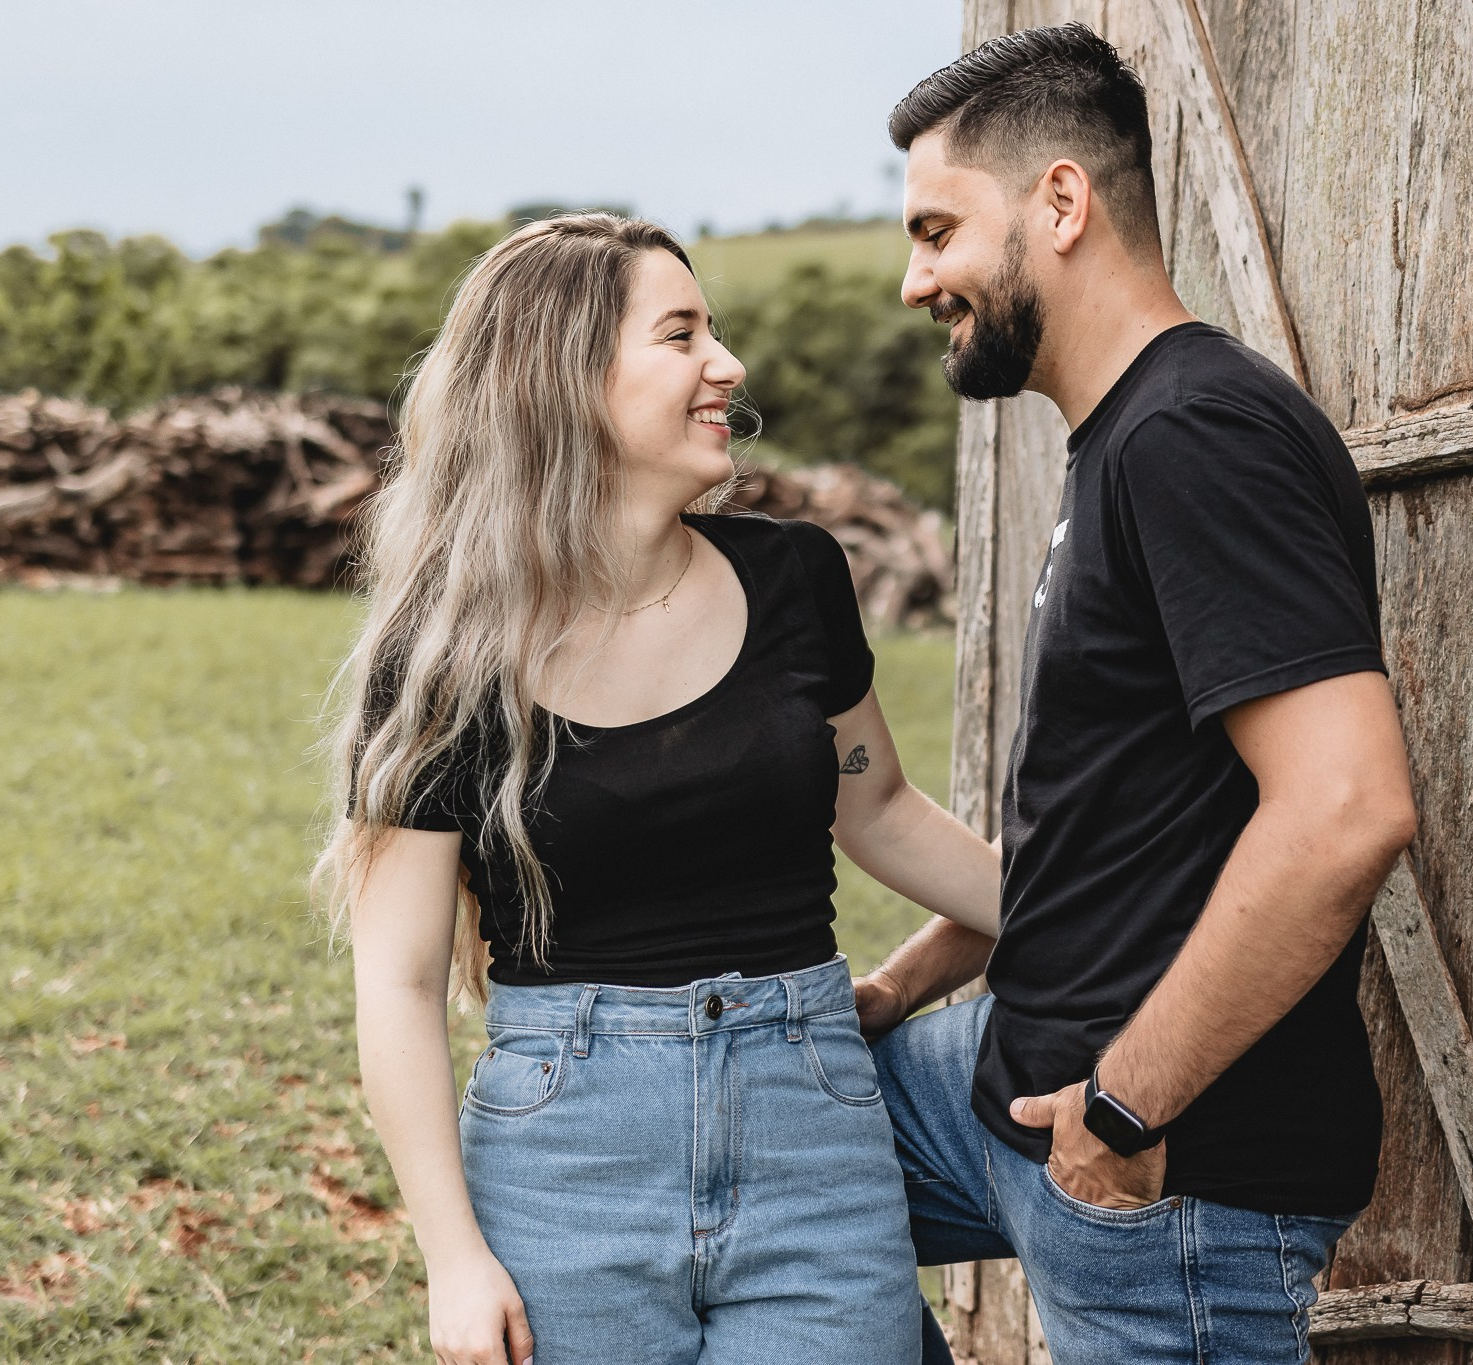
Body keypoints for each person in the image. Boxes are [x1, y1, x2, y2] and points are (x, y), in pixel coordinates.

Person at [314, 214, 1001, 1365]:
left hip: (812, 1135)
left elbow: (877, 810)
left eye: (713, 331)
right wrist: (453, 1255)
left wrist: (1092, 917)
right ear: (563, 382)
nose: (725, 366)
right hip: (565, 1162)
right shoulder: (440, 656)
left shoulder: (796, 578)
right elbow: (395, 979)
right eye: (680, 334)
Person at [855, 25, 1419, 1365]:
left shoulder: (1194, 437)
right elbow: (1133, 816)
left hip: (1162, 1171)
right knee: (743, 1146)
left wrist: (1120, 1113)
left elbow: (1344, 808)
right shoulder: (1125, 436)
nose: (912, 279)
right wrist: (913, 973)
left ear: (1060, 201)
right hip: (996, 1079)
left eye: (937, 231)